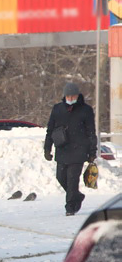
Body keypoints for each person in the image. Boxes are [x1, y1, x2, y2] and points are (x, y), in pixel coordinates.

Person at [44, 81, 97, 216]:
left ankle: (70, 207)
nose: (70, 99)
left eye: (73, 97)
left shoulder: (86, 110)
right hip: (62, 149)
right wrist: (47, 148)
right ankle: (77, 196)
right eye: (68, 97)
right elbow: (50, 129)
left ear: (77, 96)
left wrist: (92, 152)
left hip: (79, 150)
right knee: (61, 177)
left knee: (72, 179)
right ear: (64, 96)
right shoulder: (57, 109)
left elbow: (91, 132)